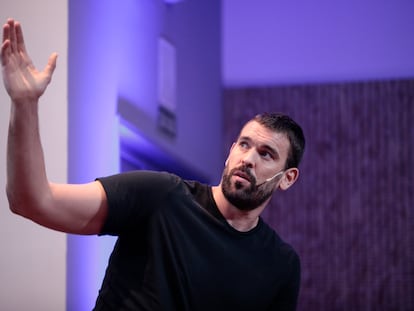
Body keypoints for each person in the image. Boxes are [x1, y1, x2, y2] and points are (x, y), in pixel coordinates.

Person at [2, 18, 305, 310]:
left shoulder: (280, 264)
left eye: (266, 154)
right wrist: (25, 104)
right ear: (231, 151)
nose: (248, 159)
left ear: (287, 178)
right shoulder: (161, 196)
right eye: (244, 144)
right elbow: (33, 201)